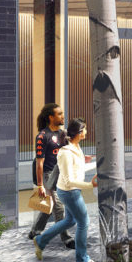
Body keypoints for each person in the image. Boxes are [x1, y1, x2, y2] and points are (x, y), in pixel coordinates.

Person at [34, 118, 101, 262]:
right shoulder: (65, 153)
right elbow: (69, 180)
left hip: (72, 190)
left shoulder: (76, 147)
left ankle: (40, 240)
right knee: (84, 222)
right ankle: (82, 259)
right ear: (78, 132)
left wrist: (91, 163)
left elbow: (77, 169)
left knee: (70, 220)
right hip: (69, 192)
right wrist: (90, 185)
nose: (87, 132)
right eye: (85, 129)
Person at [27, 102, 75, 249]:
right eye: (59, 114)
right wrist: (40, 185)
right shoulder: (42, 136)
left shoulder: (63, 134)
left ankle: (35, 231)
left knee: (50, 204)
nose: (63, 116)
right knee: (59, 206)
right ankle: (66, 238)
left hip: (60, 173)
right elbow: (39, 163)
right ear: (50, 117)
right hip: (48, 174)